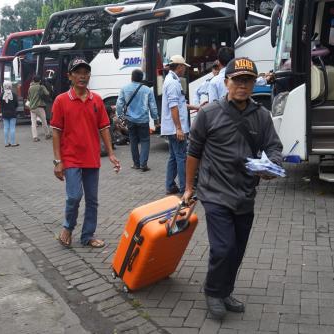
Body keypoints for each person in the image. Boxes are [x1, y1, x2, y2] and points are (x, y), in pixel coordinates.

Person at [181, 57, 283, 319]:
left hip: (245, 192)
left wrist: (272, 165)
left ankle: (225, 290)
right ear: (226, 82)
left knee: (237, 249)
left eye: (248, 80)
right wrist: (189, 187)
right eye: (237, 80)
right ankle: (213, 292)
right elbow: (194, 152)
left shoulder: (261, 116)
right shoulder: (208, 113)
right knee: (223, 247)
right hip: (214, 192)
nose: (243, 85)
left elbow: (273, 146)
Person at [51, 57, 120, 248]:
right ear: (70, 76)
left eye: (86, 72)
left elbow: (104, 128)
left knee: (92, 200)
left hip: (92, 156)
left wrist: (112, 154)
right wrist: (57, 161)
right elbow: (56, 132)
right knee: (74, 196)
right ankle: (68, 227)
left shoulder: (96, 100)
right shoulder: (61, 100)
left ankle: (87, 236)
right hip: (70, 158)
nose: (83, 76)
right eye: (78, 72)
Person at [116, 69, 158, 171]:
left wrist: (121, 116)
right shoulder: (147, 90)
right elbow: (153, 106)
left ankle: (136, 164)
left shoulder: (124, 89)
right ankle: (143, 164)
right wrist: (155, 119)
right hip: (143, 120)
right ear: (141, 78)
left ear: (131, 77)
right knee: (145, 141)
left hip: (130, 120)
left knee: (133, 141)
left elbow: (119, 104)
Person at [161, 55, 191, 195]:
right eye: (184, 66)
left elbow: (179, 104)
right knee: (181, 157)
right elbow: (174, 107)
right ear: (179, 67)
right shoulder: (173, 82)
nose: (185, 69)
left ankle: (170, 186)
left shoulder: (170, 80)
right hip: (176, 128)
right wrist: (179, 128)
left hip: (172, 128)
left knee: (174, 157)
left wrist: (196, 106)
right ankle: (185, 187)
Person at [28, 75, 52, 142]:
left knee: (33, 122)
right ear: (40, 81)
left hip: (32, 107)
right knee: (44, 121)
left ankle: (35, 137)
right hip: (39, 107)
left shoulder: (30, 88)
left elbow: (29, 97)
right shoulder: (41, 87)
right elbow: (47, 93)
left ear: (33, 80)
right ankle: (47, 134)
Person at [0, 81, 19, 147]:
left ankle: (6, 143)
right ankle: (13, 142)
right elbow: (16, 104)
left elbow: (0, 104)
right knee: (12, 128)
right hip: (13, 113)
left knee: (5, 128)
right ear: (10, 86)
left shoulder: (2, 94)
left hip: (4, 113)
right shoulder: (14, 94)